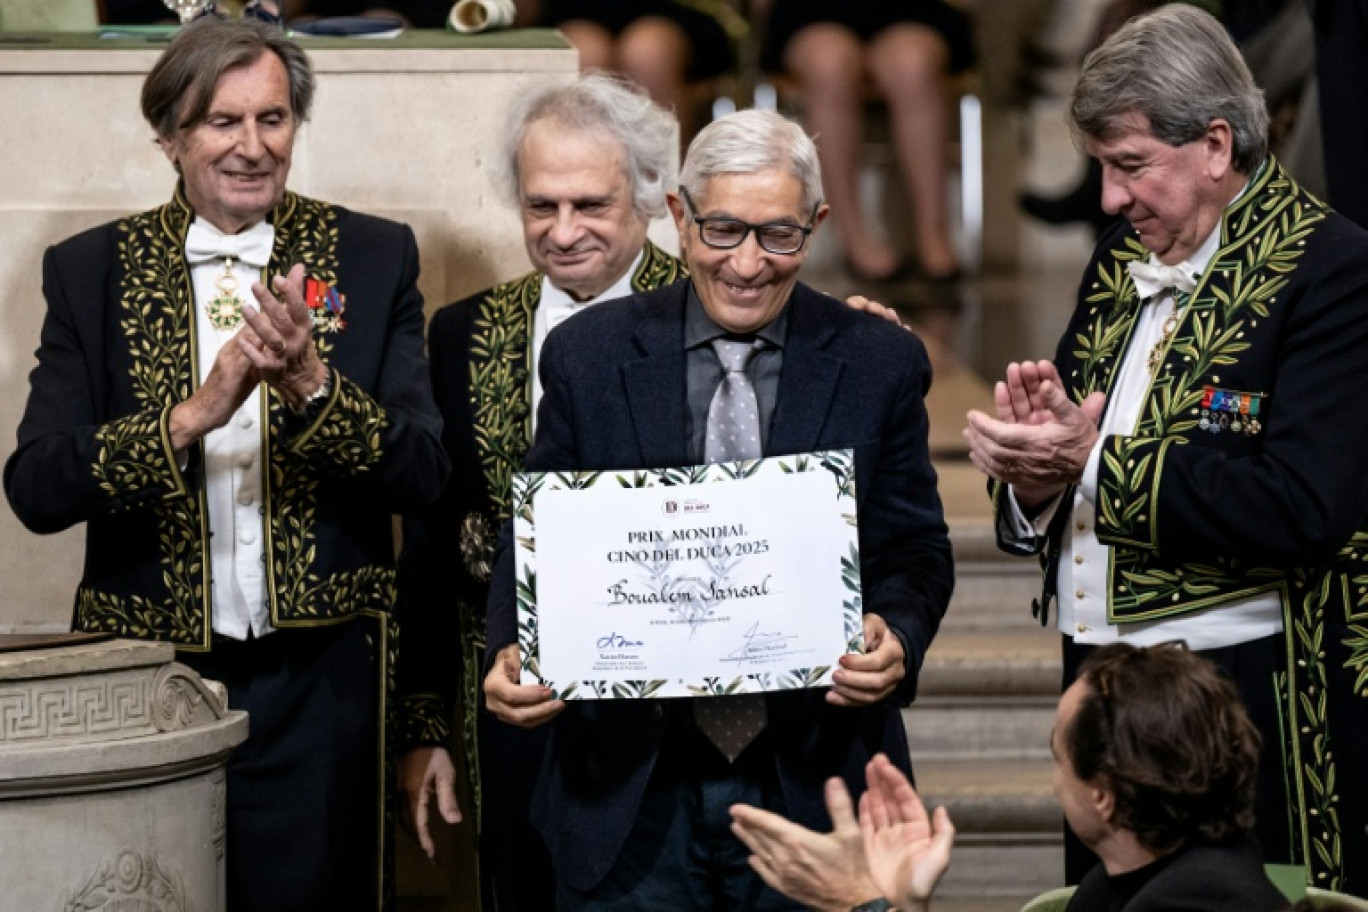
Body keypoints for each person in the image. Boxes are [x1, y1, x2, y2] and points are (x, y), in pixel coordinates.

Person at [3, 17, 448, 912]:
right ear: (169, 137)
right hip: (150, 678)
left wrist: (317, 390)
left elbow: (426, 475)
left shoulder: (372, 253)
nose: (253, 146)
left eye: (273, 119)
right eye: (222, 122)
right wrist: (191, 417)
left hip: (323, 683)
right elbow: (38, 487)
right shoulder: (90, 271)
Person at [481, 106, 954, 909]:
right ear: (678, 216)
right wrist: (508, 651)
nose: (747, 264)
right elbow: (539, 535)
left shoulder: (880, 361)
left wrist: (898, 636)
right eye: (723, 230)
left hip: (812, 781)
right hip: (628, 789)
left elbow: (914, 548)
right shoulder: (589, 355)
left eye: (779, 235)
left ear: (818, 224)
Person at [964, 4, 1368, 893]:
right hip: (1097, 697)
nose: (1109, 199)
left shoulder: (1333, 268)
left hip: (1232, 700)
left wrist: (1090, 464)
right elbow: (1072, 460)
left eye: (1129, 166)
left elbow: (1304, 504)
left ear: (1217, 146)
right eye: (1103, 168)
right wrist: (1033, 472)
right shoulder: (1118, 257)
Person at [395, 71, 686, 911]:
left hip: (673, 710)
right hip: (515, 699)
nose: (563, 233)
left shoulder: (706, 308)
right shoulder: (465, 331)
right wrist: (426, 725)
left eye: (590, 205)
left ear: (650, 198)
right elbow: (431, 540)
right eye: (540, 206)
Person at [730, 644, 1287, 912]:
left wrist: (862, 901)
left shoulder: (1198, 904)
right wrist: (903, 900)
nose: (1053, 781)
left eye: (1058, 757)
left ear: (1103, 795)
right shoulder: (1123, 885)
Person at [760, 0, 975, 284]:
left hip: (913, 9)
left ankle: (934, 236)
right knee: (828, 65)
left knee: (914, 64)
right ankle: (853, 238)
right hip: (811, 11)